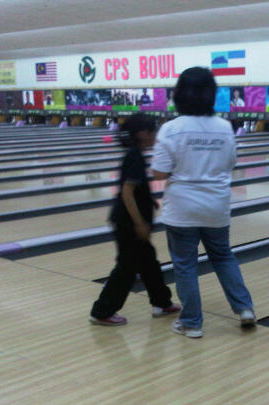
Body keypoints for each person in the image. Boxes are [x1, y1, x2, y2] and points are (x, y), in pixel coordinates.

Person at [150, 67, 255, 339]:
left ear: (178, 94)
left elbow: (159, 173)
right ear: (212, 94)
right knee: (223, 257)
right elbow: (231, 164)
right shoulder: (224, 127)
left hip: (181, 209)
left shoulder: (171, 129)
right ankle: (245, 309)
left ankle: (192, 323)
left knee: (185, 265)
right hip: (216, 207)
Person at [89, 113, 181, 326]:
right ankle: (102, 311)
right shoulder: (134, 157)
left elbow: (135, 190)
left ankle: (162, 303)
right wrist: (139, 222)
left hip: (128, 220)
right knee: (126, 268)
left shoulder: (135, 154)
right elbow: (127, 192)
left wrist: (149, 200)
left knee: (149, 263)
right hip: (128, 223)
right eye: (153, 131)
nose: (156, 135)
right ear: (142, 134)